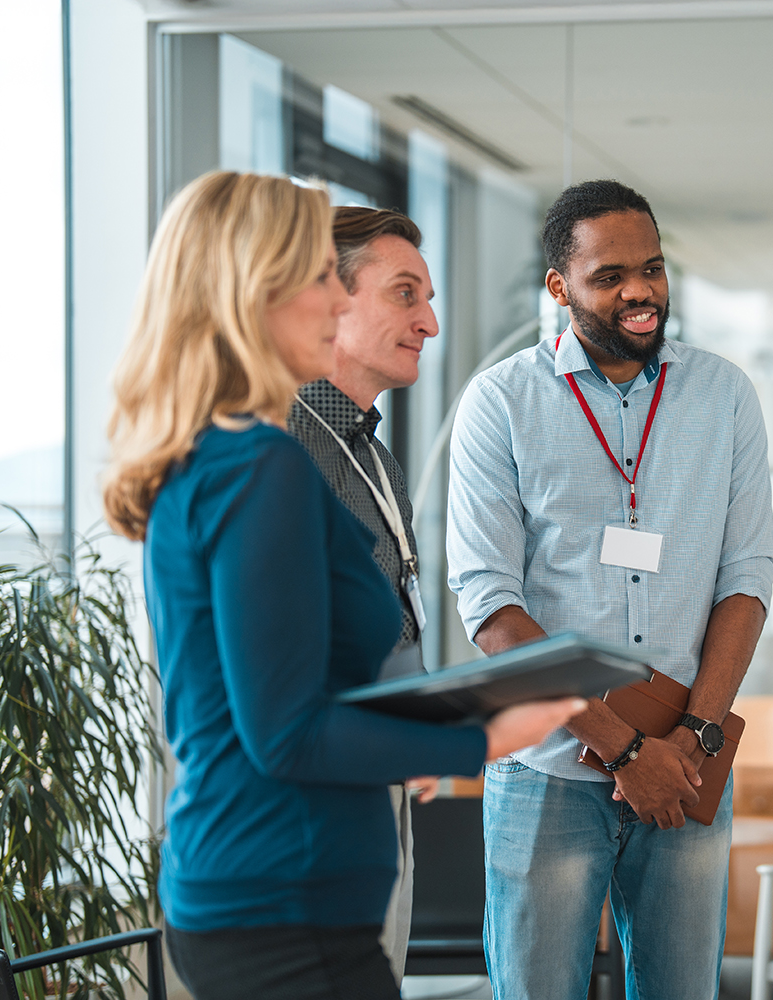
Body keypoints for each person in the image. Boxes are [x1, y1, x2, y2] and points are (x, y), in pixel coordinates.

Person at [101, 171, 582, 1000]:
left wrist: (410, 734)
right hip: (287, 899)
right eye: (323, 277)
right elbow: (286, 734)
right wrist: (486, 739)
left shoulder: (208, 456)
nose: (335, 299)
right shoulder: (263, 467)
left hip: (258, 887)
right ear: (261, 290)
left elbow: (275, 688)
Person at [445, 179, 773, 1000]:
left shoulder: (725, 395)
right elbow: (490, 606)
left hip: (688, 761)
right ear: (559, 289)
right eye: (611, 275)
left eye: (654, 269)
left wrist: (691, 741)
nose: (641, 291)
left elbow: (747, 577)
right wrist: (624, 749)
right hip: (548, 769)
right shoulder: (502, 401)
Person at [284, 206, 440, 980]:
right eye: (406, 295)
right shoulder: (277, 442)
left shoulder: (376, 457)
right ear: (331, 299)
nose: (431, 322)